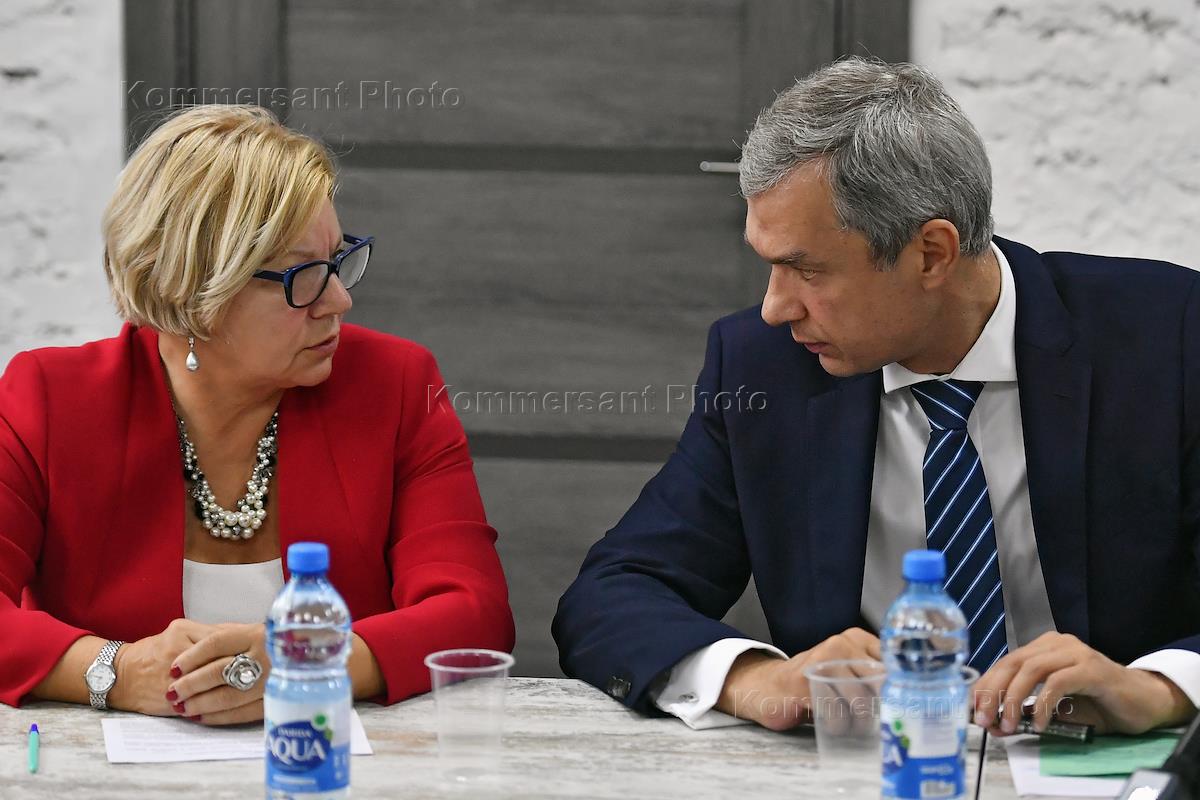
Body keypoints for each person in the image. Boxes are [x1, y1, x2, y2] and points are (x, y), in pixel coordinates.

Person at [554, 57, 1199, 737]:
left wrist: (1159, 688)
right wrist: (758, 681)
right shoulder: (762, 368)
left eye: (805, 270)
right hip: (864, 765)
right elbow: (612, 594)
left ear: (932, 253)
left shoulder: (1170, 337)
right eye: (769, 266)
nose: (774, 308)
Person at [0, 104, 514, 723]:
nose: (339, 300)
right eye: (303, 276)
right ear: (192, 289)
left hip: (340, 762)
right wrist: (117, 671)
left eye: (339, 261)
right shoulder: (51, 399)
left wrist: (311, 661)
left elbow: (474, 610)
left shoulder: (396, 385)